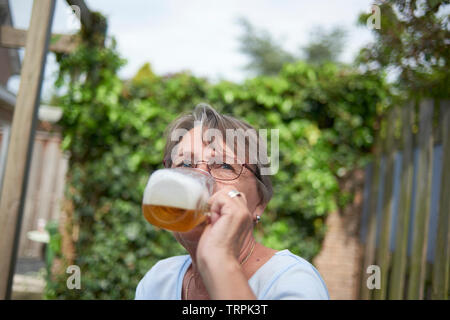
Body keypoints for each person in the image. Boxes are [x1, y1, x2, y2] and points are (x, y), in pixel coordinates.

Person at [135, 103, 329, 300]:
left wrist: (219, 260)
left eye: (224, 165)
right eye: (185, 164)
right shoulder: (157, 281)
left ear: (260, 202)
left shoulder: (292, 281)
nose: (197, 179)